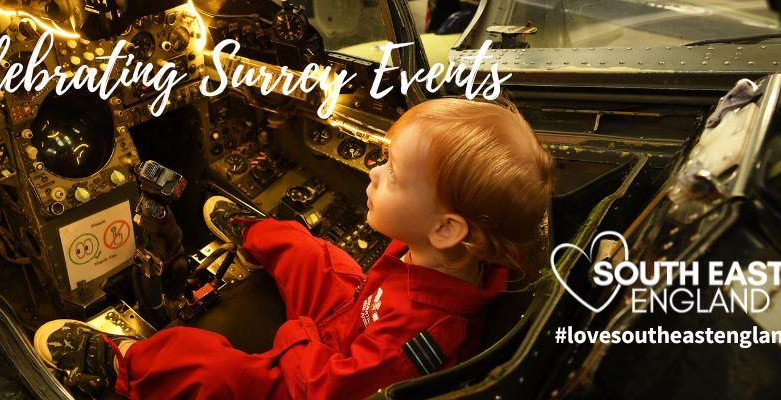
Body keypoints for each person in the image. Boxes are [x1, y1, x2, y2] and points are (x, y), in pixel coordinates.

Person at [32, 98, 554, 399]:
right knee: (315, 254)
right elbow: (368, 297)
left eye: (393, 174)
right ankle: (252, 234)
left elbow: (326, 390)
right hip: (352, 322)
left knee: (212, 366)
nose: (373, 173)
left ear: (445, 228)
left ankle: (121, 367)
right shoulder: (443, 255)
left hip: (312, 378)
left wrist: (297, 334)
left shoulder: (423, 338)